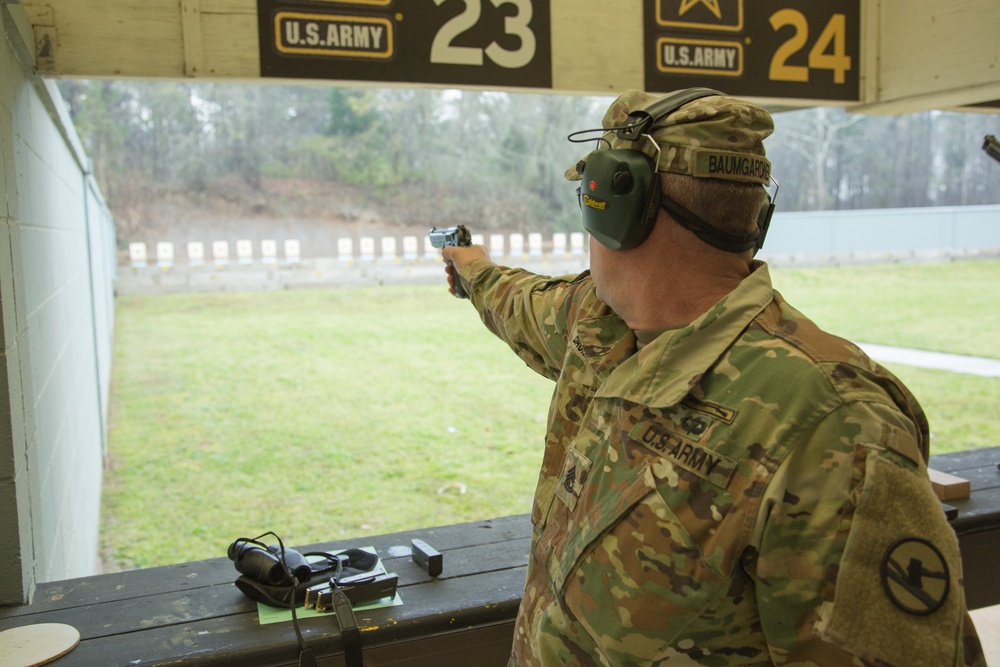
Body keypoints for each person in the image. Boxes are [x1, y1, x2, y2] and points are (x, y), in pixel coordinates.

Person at [440, 89, 985, 667]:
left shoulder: (837, 427)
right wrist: (471, 267)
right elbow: (517, 302)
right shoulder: (597, 323)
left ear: (616, 202)